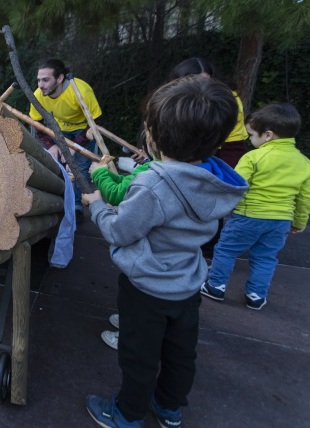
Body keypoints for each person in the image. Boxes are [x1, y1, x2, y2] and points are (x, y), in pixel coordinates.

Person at [81, 76, 248, 427]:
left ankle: (126, 414)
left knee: (138, 355)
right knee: (179, 353)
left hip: (148, 288)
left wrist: (97, 205)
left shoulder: (154, 183)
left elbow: (120, 231)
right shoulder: (216, 178)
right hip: (187, 284)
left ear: (153, 135)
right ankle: (169, 408)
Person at [201, 103, 310, 310]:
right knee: (266, 258)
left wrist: (218, 207)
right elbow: (305, 198)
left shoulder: (253, 157)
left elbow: (235, 185)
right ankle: (256, 295)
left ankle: (215, 286)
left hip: (248, 216)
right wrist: (298, 222)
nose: (250, 140)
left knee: (225, 250)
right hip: (280, 222)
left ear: (268, 135)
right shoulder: (304, 163)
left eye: (251, 135)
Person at [87, 132, 154, 350]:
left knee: (138, 299)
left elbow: (117, 194)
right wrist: (106, 173)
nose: (140, 151)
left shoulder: (152, 173)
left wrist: (99, 179)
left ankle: (127, 337)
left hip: (147, 267)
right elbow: (127, 183)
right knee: (135, 298)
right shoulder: (156, 167)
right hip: (165, 269)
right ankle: (128, 321)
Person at [28, 59, 103, 223]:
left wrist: (76, 146)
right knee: (59, 166)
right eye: (39, 80)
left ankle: (76, 207)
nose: (40, 85)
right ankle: (60, 204)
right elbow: (37, 124)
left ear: (60, 78)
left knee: (79, 167)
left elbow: (97, 122)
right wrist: (52, 145)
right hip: (60, 131)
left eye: (46, 80)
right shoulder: (38, 95)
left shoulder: (80, 90)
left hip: (84, 130)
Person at [168, 57, 248, 168]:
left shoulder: (227, 99)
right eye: (193, 81)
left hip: (219, 154)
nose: (199, 85)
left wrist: (225, 174)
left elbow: (233, 144)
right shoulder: (167, 98)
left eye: (205, 80)